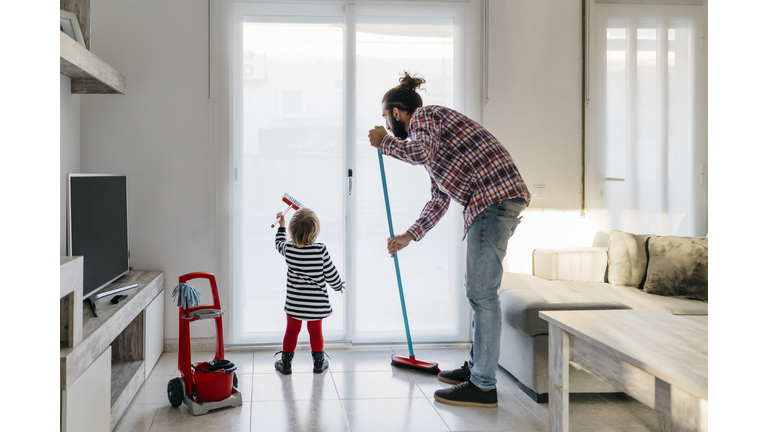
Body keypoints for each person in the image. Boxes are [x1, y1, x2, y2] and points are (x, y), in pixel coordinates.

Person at [368, 72, 530, 407]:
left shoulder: (426, 117)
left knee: (482, 294)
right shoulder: (433, 141)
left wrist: (384, 142)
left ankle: (483, 386)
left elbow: (417, 152)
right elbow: (439, 199)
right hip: (490, 201)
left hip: (493, 199)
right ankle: (476, 371)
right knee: (478, 292)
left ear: (398, 112)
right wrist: (409, 236)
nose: (386, 122)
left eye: (387, 117)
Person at [273, 207, 345, 374]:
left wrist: (281, 226)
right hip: (315, 305)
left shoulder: (289, 249)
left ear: (292, 230)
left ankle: (286, 363)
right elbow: (331, 273)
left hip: (295, 304)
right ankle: (319, 363)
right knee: (315, 331)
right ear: (315, 231)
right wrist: (338, 285)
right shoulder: (320, 250)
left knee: (291, 331)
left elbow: (278, 243)